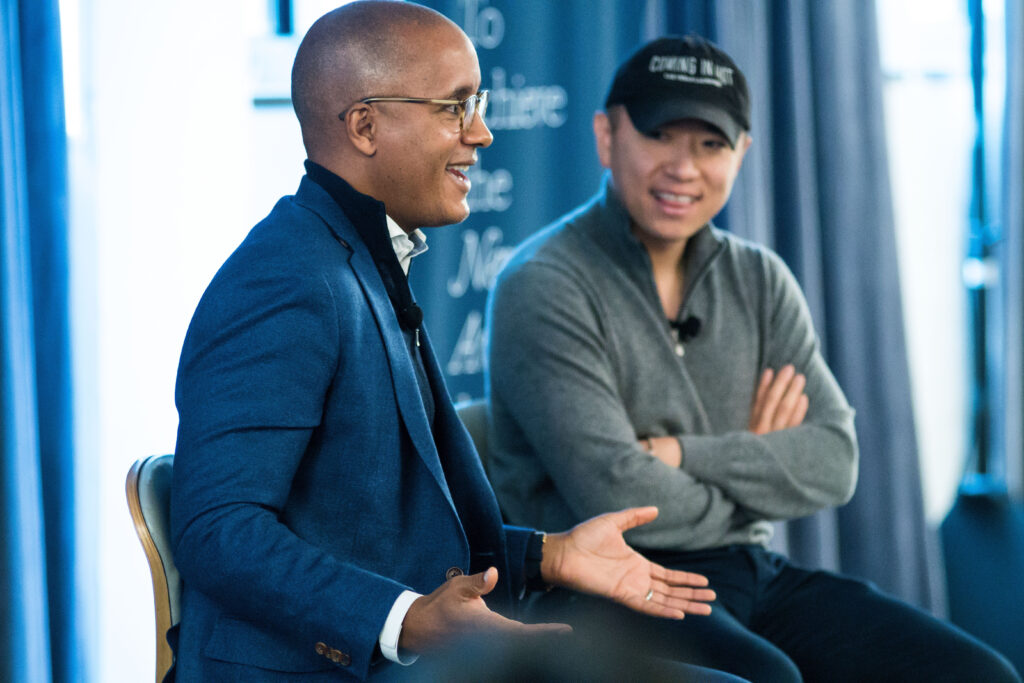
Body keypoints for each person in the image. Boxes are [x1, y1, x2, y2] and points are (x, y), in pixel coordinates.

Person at [168, 5, 734, 682]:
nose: (483, 132)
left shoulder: (350, 256)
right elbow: (216, 530)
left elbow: (366, 523)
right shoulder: (284, 280)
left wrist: (550, 555)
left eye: (480, 104)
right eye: (455, 108)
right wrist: (405, 617)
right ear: (365, 126)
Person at [486, 34, 1021, 683]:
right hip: (608, 588)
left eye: (711, 144)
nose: (685, 167)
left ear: (742, 152)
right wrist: (758, 468)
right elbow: (620, 490)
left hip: (748, 571)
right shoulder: (543, 283)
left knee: (976, 672)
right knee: (768, 678)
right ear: (607, 135)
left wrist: (684, 453)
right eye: (660, 135)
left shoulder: (759, 277)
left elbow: (834, 462)